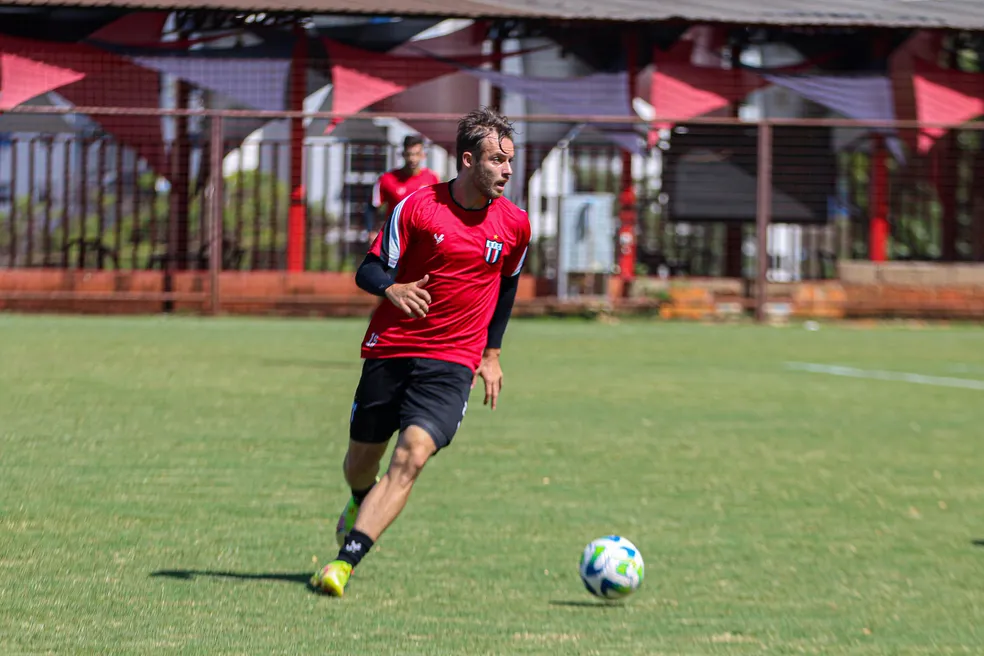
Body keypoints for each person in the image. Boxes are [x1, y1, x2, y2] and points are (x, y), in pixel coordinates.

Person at [311, 107, 531, 597]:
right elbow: (368, 270)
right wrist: (391, 290)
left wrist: (491, 353)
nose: (507, 170)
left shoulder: (515, 225)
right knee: (359, 464)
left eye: (510, 161)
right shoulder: (416, 207)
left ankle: (344, 562)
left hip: (454, 360)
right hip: (392, 350)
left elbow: (508, 288)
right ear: (469, 160)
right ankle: (359, 499)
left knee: (412, 456)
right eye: (498, 160)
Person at [365, 134, 441, 241]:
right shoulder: (387, 179)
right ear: (403, 154)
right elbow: (371, 207)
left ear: (423, 155)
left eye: (416, 154)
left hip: (423, 239)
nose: (412, 159)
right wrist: (371, 231)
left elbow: (439, 210)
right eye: (409, 154)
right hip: (396, 238)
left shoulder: (432, 178)